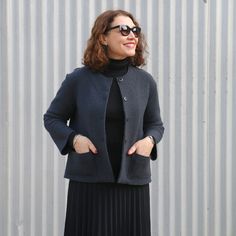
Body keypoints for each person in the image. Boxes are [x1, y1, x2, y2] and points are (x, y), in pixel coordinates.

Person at [44, 9, 164, 236]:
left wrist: (149, 141)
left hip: (133, 182)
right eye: (124, 30)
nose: (132, 36)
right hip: (90, 180)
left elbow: (155, 124)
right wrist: (74, 139)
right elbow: (53, 118)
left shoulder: (145, 82)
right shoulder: (78, 80)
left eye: (135, 30)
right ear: (103, 37)